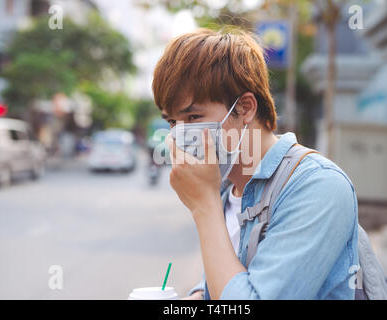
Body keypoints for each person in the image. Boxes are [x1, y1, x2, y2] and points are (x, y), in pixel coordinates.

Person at [152, 28, 359, 300]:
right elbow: (220, 284)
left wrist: (204, 206)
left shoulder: (318, 187)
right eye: (171, 122)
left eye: (193, 117)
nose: (179, 134)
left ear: (246, 108)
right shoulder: (227, 189)